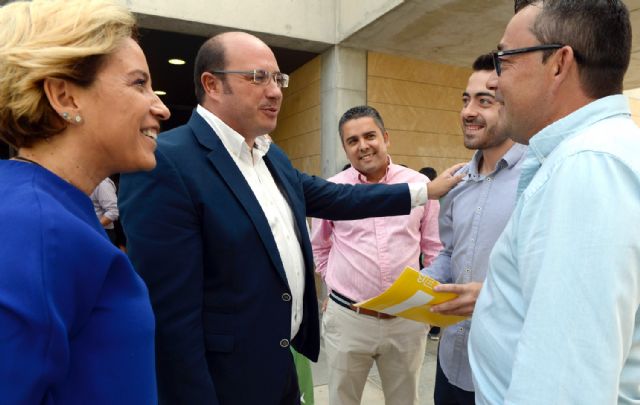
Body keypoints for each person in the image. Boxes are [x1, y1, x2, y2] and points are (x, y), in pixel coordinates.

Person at [118, 31, 465, 405]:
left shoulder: (269, 156)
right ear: (212, 84)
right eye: (258, 77)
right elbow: (170, 324)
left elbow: (336, 197)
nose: (275, 91)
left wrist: (423, 192)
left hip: (281, 366)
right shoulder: (167, 162)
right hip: (226, 384)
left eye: (279, 79)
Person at [468, 1, 640, 404]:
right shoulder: (595, 156)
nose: (494, 82)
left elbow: (564, 387)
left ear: (559, 64)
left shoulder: (587, 168)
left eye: (503, 59)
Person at [0, 0, 170, 403]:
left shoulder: (45, 211)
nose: (160, 106)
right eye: (138, 84)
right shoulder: (34, 227)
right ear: (65, 96)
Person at [311, 105, 442, 405]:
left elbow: (433, 250)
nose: (363, 146)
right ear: (345, 149)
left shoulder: (420, 186)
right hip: (348, 319)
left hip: (406, 321)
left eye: (369, 136)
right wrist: (332, 291)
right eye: (352, 141)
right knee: (342, 399)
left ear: (385, 137)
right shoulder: (332, 190)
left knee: (403, 399)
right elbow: (320, 246)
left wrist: (425, 307)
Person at [421, 54, 527, 405]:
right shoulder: (456, 184)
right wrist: (422, 282)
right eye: (466, 100)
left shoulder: (539, 178)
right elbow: (451, 251)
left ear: (510, 104)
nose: (468, 111)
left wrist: (492, 294)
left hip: (503, 371)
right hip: (450, 362)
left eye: (485, 101)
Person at [90, 177, 119, 245]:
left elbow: (114, 211)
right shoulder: (83, 183)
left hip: (102, 232)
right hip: (90, 231)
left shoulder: (102, 184)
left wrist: (93, 227)